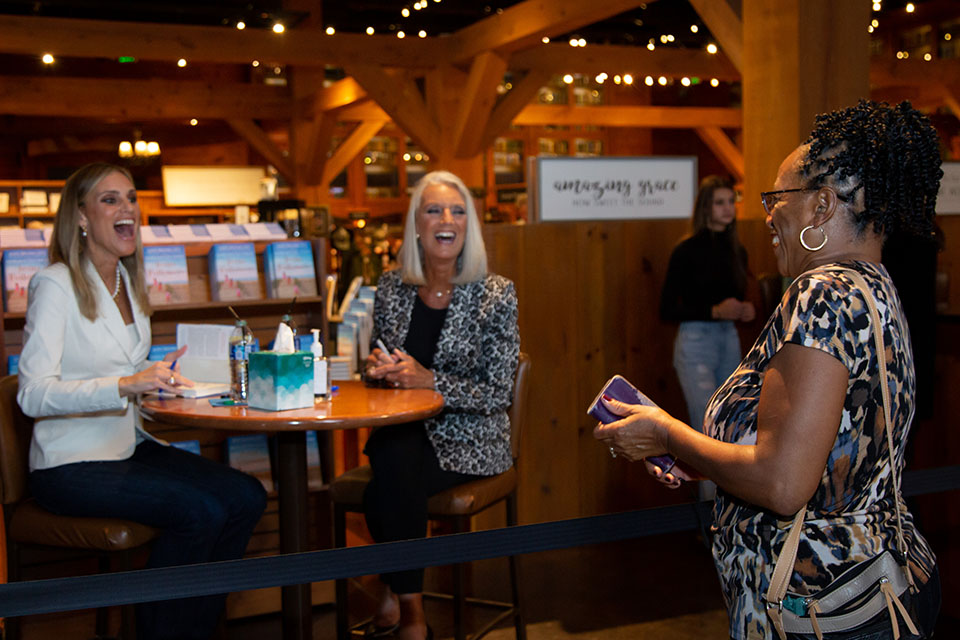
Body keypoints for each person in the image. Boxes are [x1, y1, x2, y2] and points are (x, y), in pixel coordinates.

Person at [594, 100, 941, 639]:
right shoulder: (874, 285)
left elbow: (782, 483)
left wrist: (667, 433)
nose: (769, 214)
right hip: (879, 577)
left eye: (777, 198)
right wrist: (707, 458)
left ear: (822, 205)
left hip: (815, 606)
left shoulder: (820, 294)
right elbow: (828, 456)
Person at [17, 163, 267, 640]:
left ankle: (194, 626)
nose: (126, 208)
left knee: (246, 496)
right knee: (201, 512)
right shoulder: (55, 284)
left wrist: (157, 385)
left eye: (130, 198)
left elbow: (123, 376)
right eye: (110, 199)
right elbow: (32, 394)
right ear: (82, 218)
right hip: (69, 464)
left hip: (126, 445)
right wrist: (127, 385)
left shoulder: (127, 283)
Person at [362, 170, 519, 640]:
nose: (445, 219)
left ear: (468, 225)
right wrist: (380, 370)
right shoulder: (392, 288)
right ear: (416, 225)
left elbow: (498, 391)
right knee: (395, 461)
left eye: (457, 211)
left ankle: (402, 599)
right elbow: (382, 365)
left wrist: (431, 381)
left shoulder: (496, 293)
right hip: (403, 431)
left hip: (472, 438)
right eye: (433, 210)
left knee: (386, 479)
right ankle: (410, 603)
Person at [660, 175, 755, 432]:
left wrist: (745, 309)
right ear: (705, 208)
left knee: (732, 416)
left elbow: (736, 295)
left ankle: (721, 474)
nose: (728, 208)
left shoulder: (737, 250)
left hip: (729, 336)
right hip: (696, 339)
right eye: (719, 203)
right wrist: (714, 311)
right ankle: (707, 474)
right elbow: (666, 308)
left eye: (731, 201)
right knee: (706, 420)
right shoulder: (687, 250)